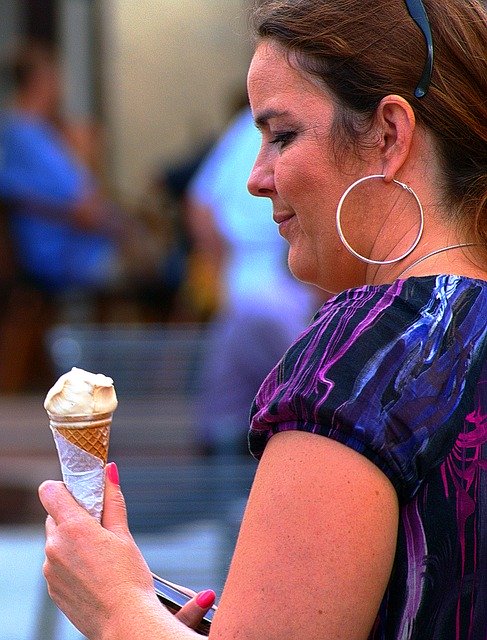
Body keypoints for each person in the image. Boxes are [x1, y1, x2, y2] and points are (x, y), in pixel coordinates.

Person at [38, 0, 487, 638]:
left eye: (281, 134)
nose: (256, 178)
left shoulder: (359, 368)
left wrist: (116, 611)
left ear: (389, 133)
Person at [185, 105, 319, 454]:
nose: (258, 180)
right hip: (268, 281)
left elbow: (199, 205)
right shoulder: (254, 125)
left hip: (266, 279)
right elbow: (200, 206)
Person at [0, 40, 161, 297]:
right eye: (56, 77)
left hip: (58, 251)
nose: (61, 87)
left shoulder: (19, 131)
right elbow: (85, 207)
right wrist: (86, 155)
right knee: (164, 272)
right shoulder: (29, 136)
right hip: (65, 257)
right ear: (40, 82)